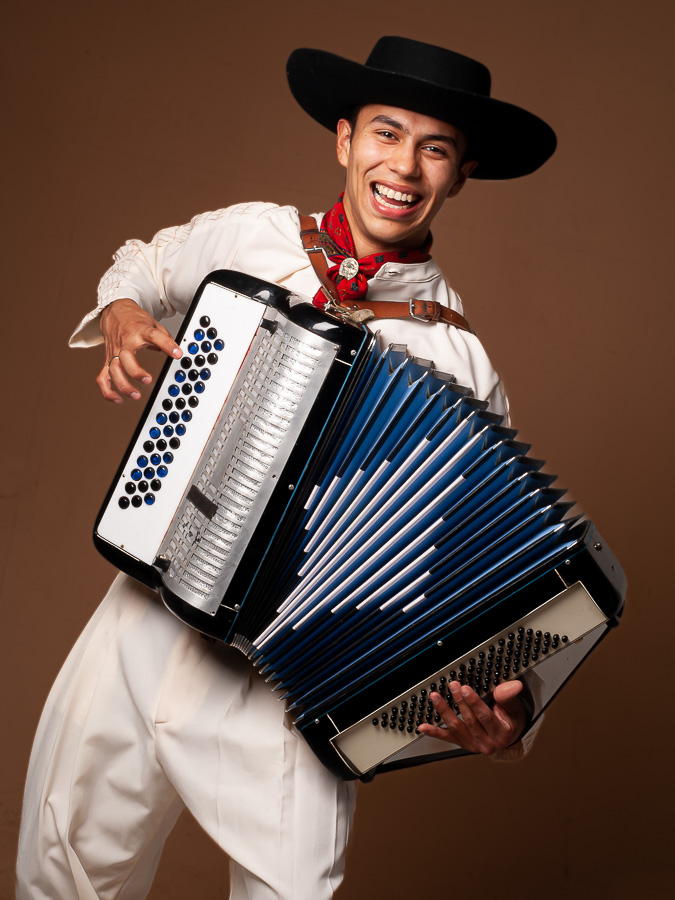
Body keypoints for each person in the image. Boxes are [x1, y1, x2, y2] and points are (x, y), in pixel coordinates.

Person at [17, 37, 556, 900]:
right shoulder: (251, 235)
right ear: (344, 140)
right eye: (386, 133)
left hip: (283, 680)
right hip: (140, 626)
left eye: (435, 148)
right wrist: (120, 314)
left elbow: (483, 566)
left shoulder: (460, 364)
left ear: (459, 175)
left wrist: (511, 709)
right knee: (63, 867)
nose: (404, 166)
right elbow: (143, 265)